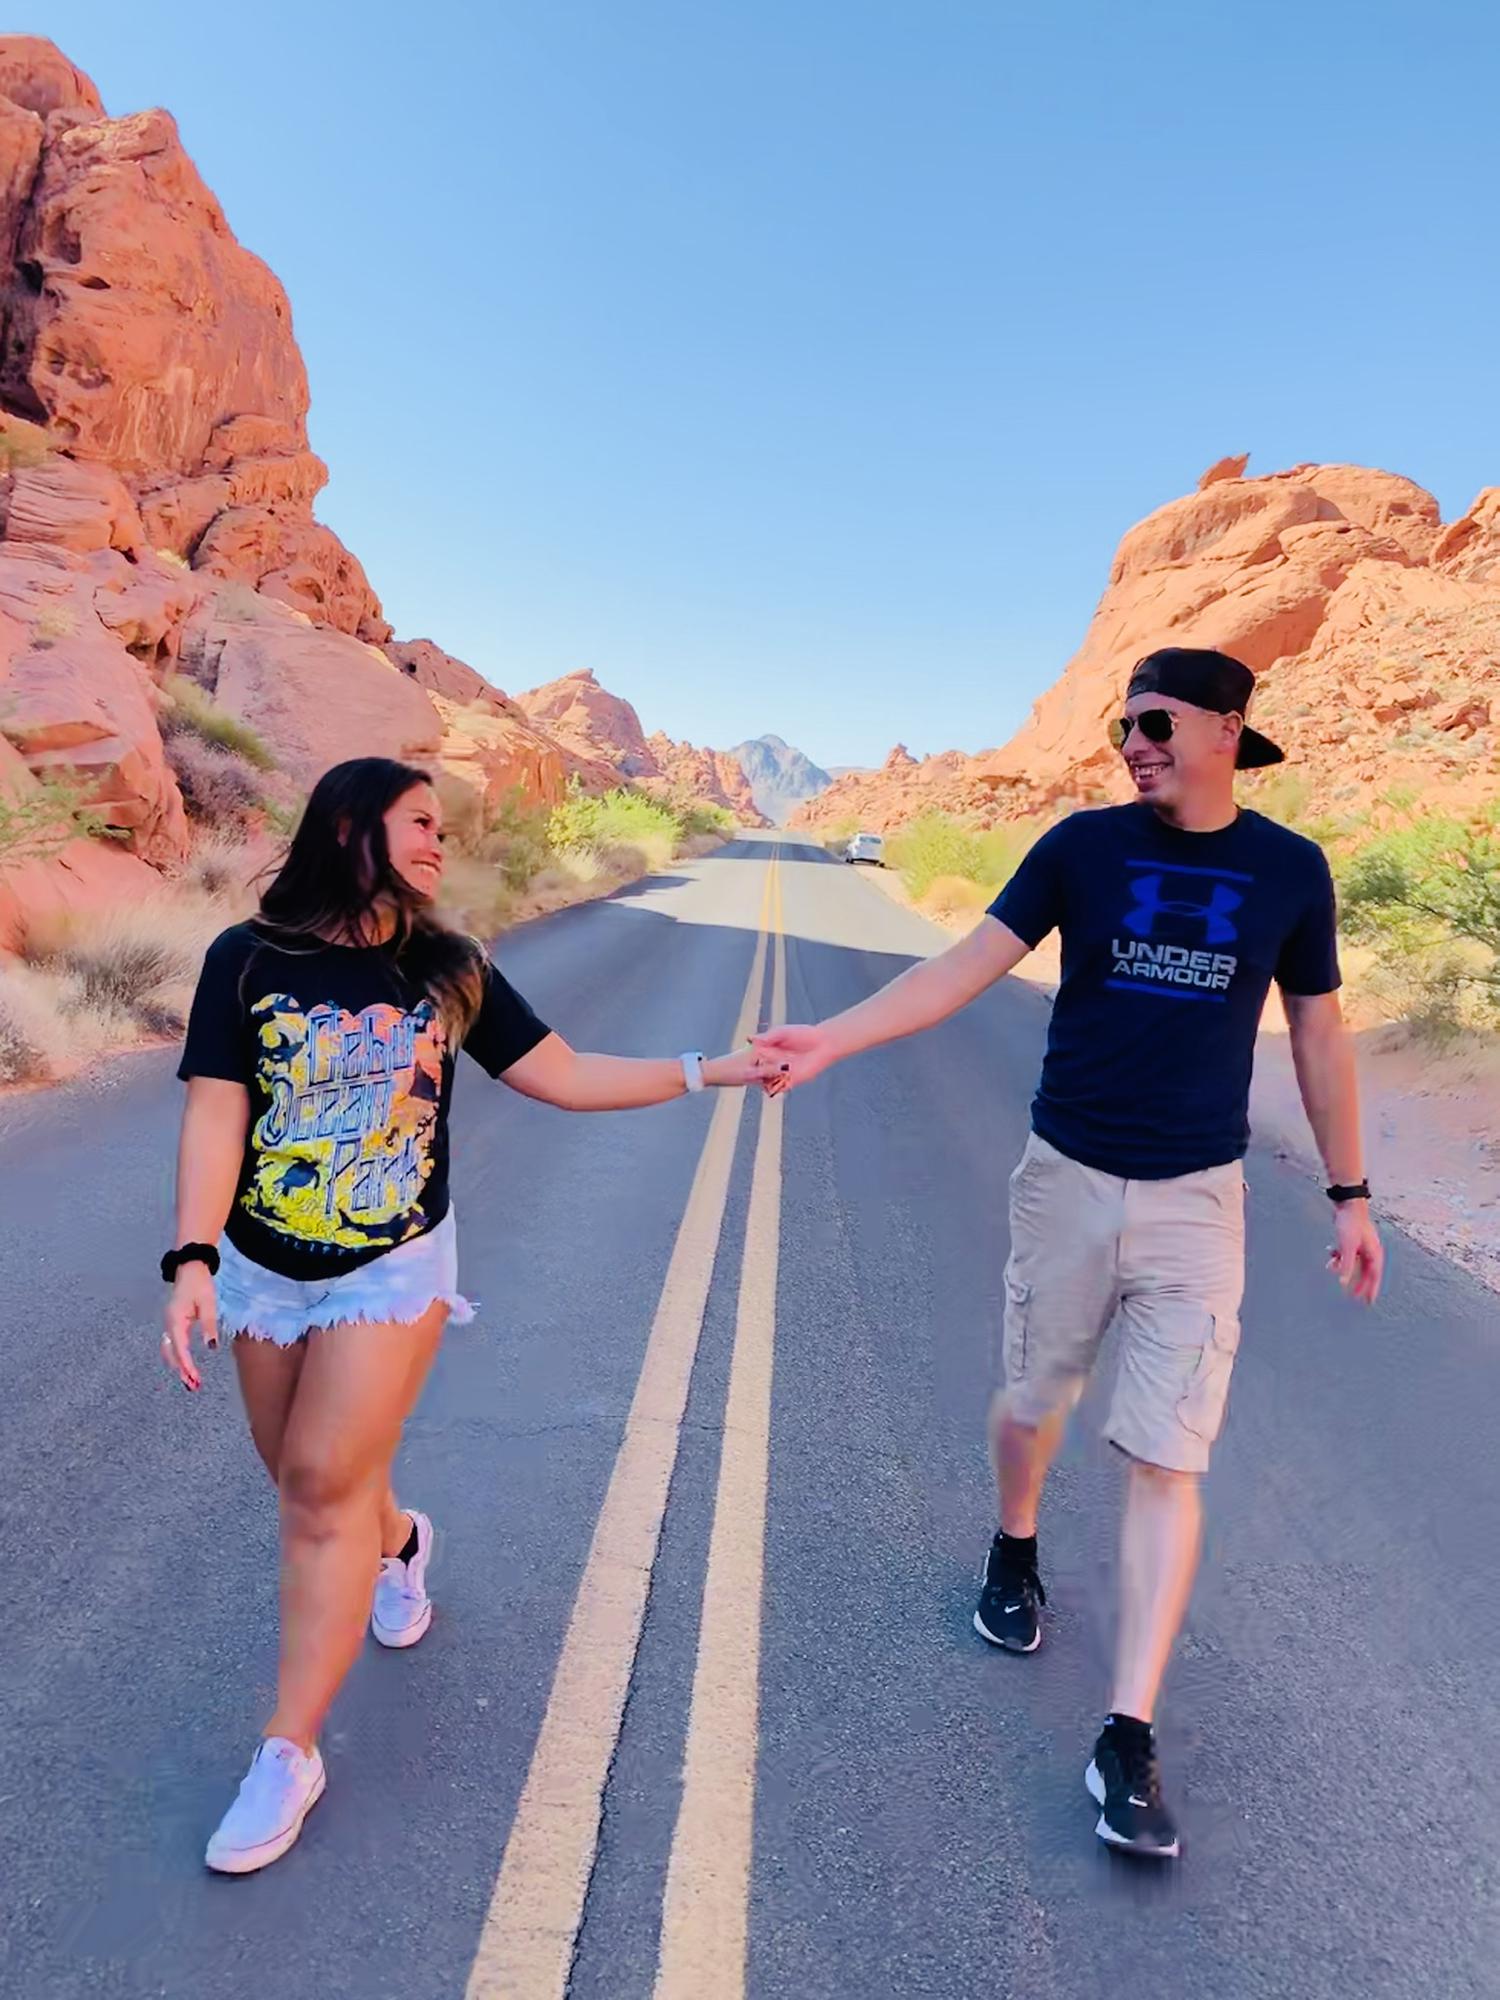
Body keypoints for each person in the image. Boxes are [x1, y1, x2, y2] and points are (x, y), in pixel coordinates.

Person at [756, 647, 1383, 1858]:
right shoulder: (1079, 848)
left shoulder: (1290, 870)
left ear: (1227, 728)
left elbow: (1318, 1033)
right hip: (1069, 1179)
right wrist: (830, 1038)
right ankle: (1016, 1537)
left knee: (1169, 1454)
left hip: (1201, 1201)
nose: (1134, 741)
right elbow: (960, 968)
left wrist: (1353, 1192)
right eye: (1120, 725)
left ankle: (1127, 1734)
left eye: (1154, 720)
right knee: (1032, 1400)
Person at [164, 756, 762, 1875]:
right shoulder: (244, 961)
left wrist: (711, 1068)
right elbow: (215, 1113)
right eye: (420, 822)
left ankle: (288, 1748)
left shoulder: (446, 967)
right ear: (351, 829)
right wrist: (193, 1257)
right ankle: (404, 1542)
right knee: (301, 1475)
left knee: (321, 1489)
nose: (441, 842)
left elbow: (567, 1074)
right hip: (260, 1264)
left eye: (443, 824)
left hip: (391, 1265)